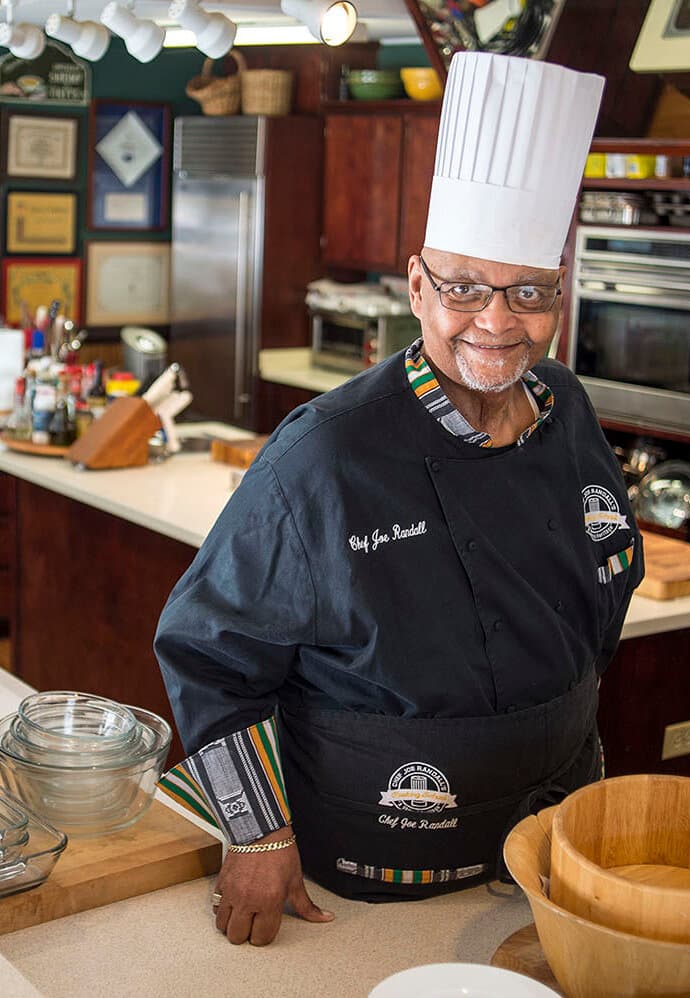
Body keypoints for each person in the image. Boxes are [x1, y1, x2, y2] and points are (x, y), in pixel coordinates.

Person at [154, 51, 644, 947]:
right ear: (418, 287)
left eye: (528, 293)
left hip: (551, 846)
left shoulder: (567, 408)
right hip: (372, 866)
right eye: (463, 288)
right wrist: (256, 831)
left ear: (558, 301)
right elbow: (209, 652)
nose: (496, 322)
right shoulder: (326, 452)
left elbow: (605, 580)